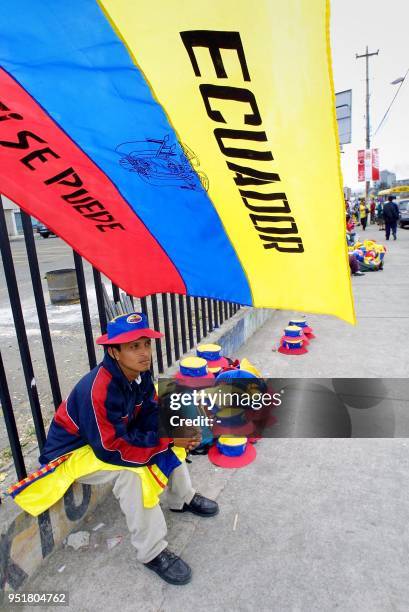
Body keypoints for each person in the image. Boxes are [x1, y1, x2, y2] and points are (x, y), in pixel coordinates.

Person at [37, 313, 219, 585]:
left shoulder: (139, 375)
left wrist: (173, 430)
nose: (144, 353)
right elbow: (111, 449)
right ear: (114, 351)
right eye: (134, 346)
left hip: (106, 441)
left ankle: (182, 499)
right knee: (131, 475)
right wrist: (167, 440)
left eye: (146, 344)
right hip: (75, 452)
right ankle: (152, 552)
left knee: (170, 427)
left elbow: (148, 413)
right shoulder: (98, 389)